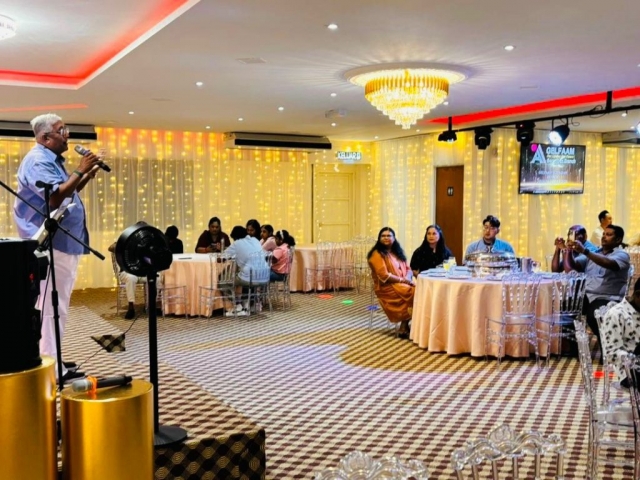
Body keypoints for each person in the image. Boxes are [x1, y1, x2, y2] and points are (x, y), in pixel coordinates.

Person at [13, 113, 102, 382]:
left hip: (62, 242)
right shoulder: (38, 160)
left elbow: (66, 193)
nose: (67, 135)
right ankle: (51, 367)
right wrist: (80, 169)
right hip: (51, 242)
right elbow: (53, 198)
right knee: (53, 306)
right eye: (62, 130)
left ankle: (54, 358)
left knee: (57, 305)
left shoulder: (50, 159)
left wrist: (86, 175)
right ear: (45, 137)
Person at [566, 224, 631, 344]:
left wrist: (585, 251)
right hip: (586, 295)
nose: (604, 237)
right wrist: (568, 250)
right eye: (604, 234)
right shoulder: (595, 252)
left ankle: (608, 345)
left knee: (594, 314)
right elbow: (572, 268)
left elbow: (608, 263)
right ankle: (574, 348)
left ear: (618, 239)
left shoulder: (622, 255)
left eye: (609, 235)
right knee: (565, 307)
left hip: (607, 297)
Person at [367, 227, 415, 338]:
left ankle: (406, 325)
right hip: (386, 288)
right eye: (383, 236)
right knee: (415, 293)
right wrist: (403, 280)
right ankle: (404, 325)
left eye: (389, 236)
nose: (386, 238)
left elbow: (408, 269)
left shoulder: (396, 252)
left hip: (402, 284)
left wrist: (407, 278)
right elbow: (384, 276)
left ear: (394, 238)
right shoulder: (376, 254)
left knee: (420, 291)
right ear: (379, 238)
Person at [600, 278, 640, 387]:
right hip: (629, 371)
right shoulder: (616, 314)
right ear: (637, 295)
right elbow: (611, 353)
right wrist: (635, 360)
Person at [224, 225, 266, 316]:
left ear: (236, 237)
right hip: (262, 276)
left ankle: (237, 306)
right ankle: (247, 305)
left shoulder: (237, 243)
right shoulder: (255, 240)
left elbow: (223, 256)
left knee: (225, 281)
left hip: (248, 278)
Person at [108, 242, 146, 319]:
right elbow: (111, 248)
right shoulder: (125, 242)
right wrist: (126, 245)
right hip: (127, 272)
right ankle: (131, 306)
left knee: (155, 277)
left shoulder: (142, 242)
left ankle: (152, 305)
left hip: (141, 271)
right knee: (131, 278)